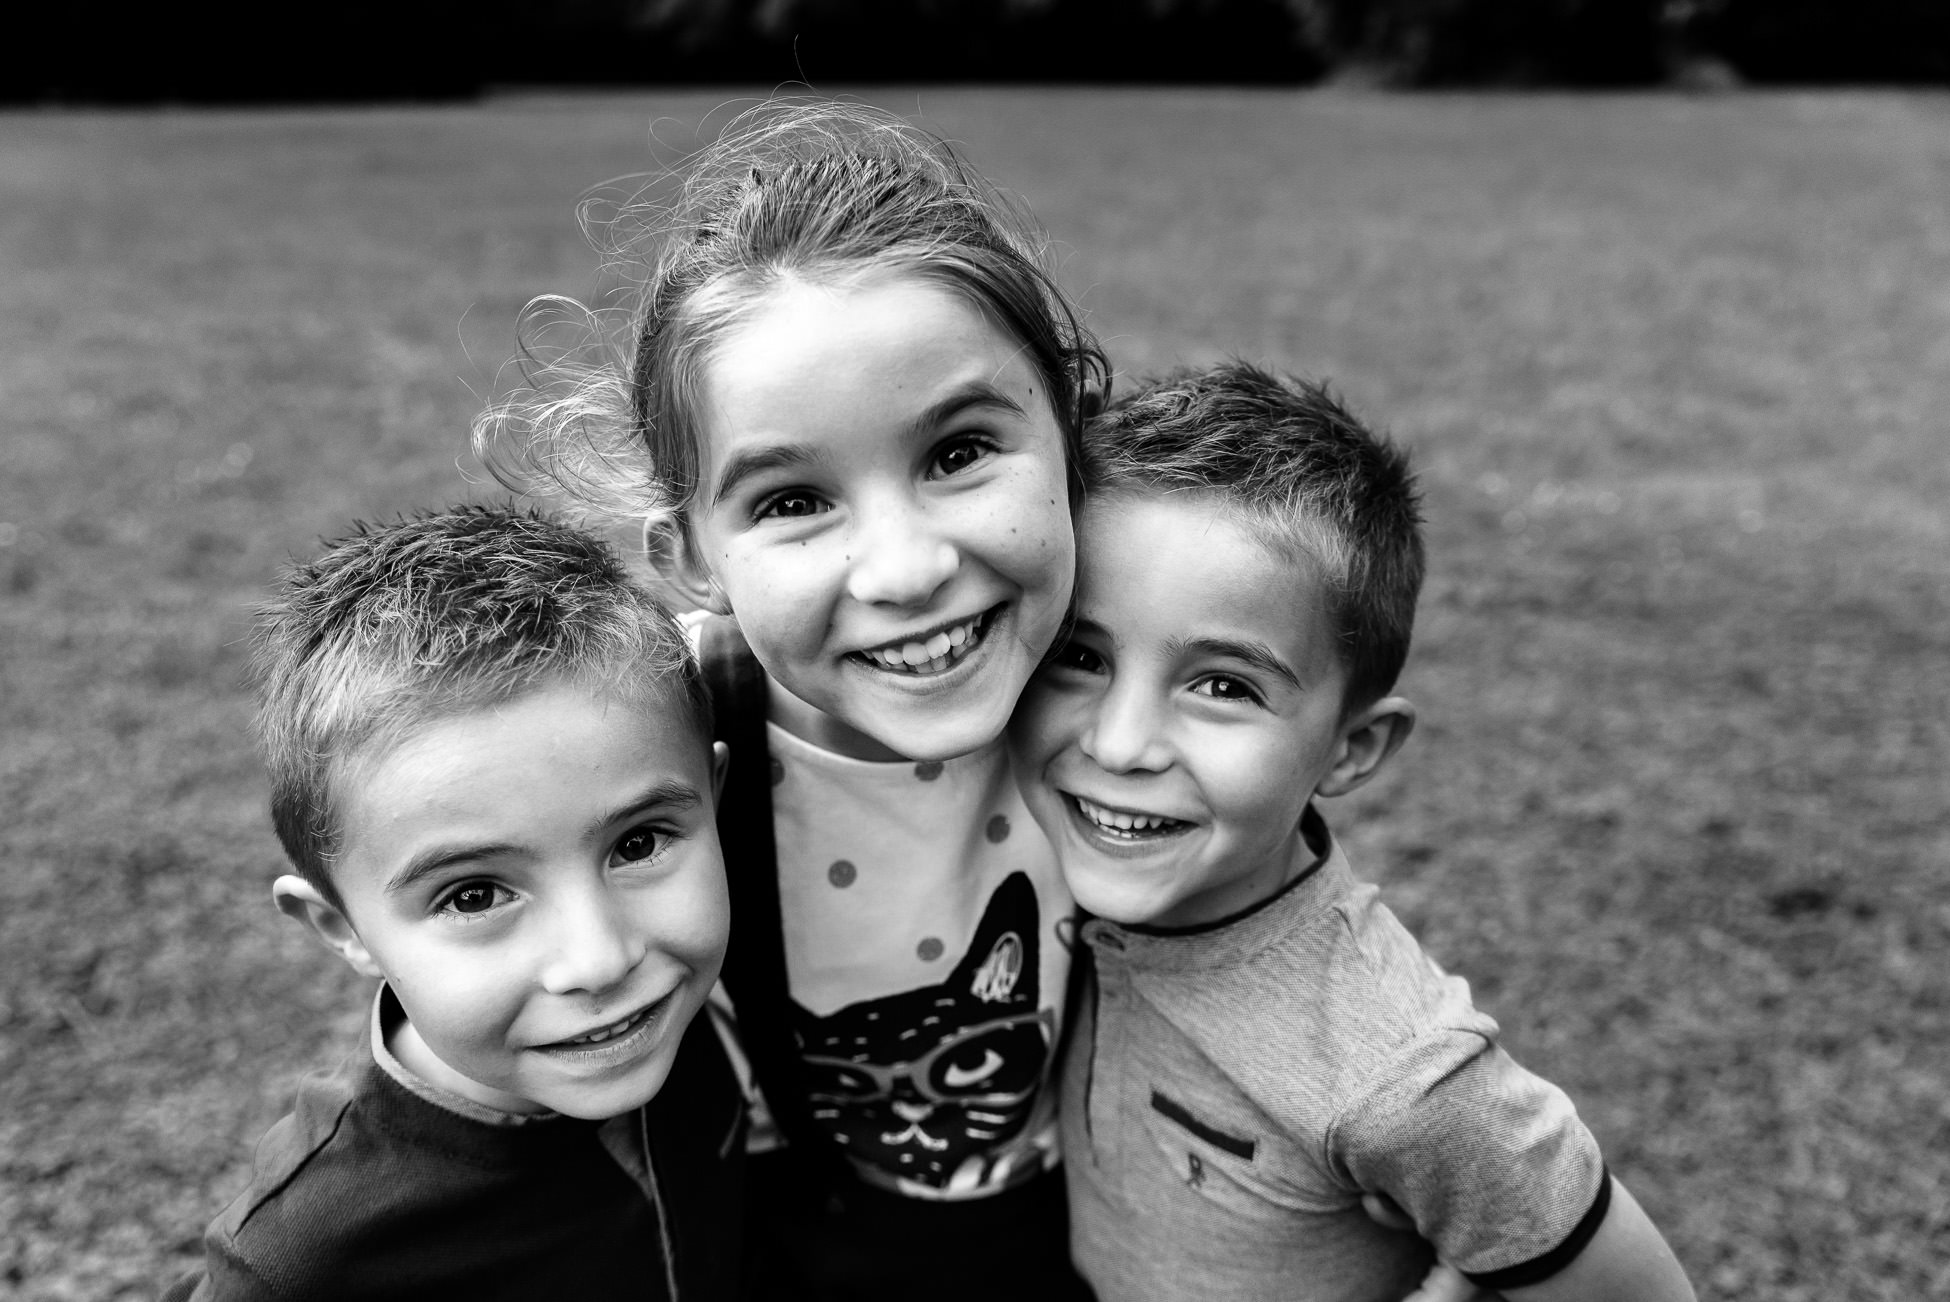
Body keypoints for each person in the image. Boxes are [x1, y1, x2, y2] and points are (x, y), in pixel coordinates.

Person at [474, 97, 1105, 1301]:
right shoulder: (658, 751)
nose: (909, 570)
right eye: (792, 502)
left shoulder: (1134, 677)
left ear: (1070, 433)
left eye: (960, 451)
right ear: (692, 561)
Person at [1009, 363, 1698, 1302]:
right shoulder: (1035, 859)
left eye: (1224, 686)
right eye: (1080, 656)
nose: (1120, 744)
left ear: (1350, 749)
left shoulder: (1397, 1073)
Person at [162, 505, 743, 1301]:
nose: (600, 961)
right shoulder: (304, 1260)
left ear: (715, 800)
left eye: (637, 845)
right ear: (341, 926)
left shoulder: (697, 1019)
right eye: (474, 895)